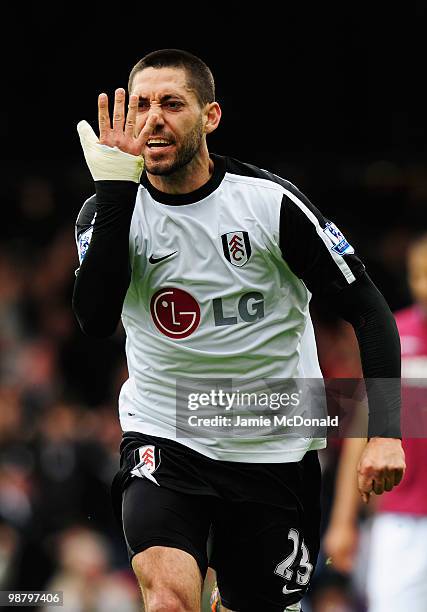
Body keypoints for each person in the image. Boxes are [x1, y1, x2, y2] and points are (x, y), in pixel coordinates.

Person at [72, 49, 405, 612]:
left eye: (172, 103)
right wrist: (113, 195)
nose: (154, 118)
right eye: (142, 105)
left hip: (274, 439)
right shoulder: (106, 211)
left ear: (210, 116)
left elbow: (369, 309)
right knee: (169, 601)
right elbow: (96, 320)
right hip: (166, 430)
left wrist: (388, 431)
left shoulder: (268, 204)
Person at [324, 234, 427, 612]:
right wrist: (342, 521)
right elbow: (360, 433)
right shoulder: (392, 337)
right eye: (422, 275)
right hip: (399, 520)